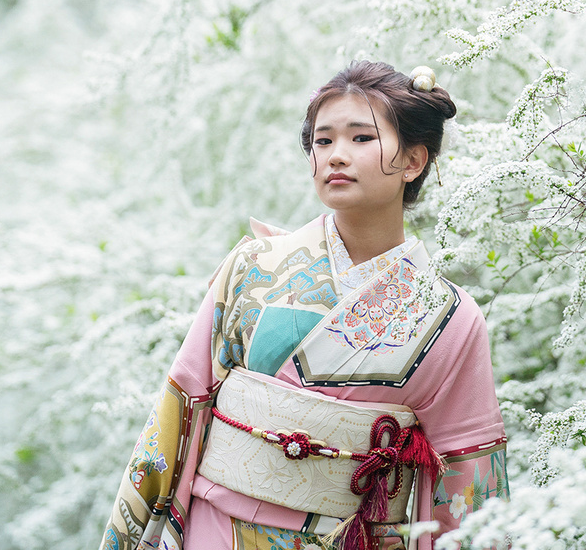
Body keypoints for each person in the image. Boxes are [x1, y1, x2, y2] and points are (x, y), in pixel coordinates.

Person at [100, 62, 508, 550]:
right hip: (216, 530)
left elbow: (465, 474)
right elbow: (182, 407)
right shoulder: (255, 267)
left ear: (413, 161)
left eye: (361, 139)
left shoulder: (452, 320)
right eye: (322, 141)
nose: (336, 156)